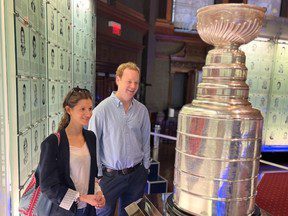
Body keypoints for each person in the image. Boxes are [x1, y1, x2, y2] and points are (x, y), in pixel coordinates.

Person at [89, 62, 151, 216]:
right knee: (103, 214)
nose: (133, 86)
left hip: (137, 175)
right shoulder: (101, 110)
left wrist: (146, 167)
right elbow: (93, 145)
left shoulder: (142, 110)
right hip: (109, 177)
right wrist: (97, 177)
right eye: (129, 81)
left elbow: (145, 140)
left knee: (132, 214)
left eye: (136, 82)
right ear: (118, 80)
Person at [39, 87, 106, 215]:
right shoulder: (52, 142)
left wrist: (98, 192)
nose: (88, 114)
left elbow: (91, 175)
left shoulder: (91, 137)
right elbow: (48, 186)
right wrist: (81, 197)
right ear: (69, 110)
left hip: (88, 209)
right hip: (64, 211)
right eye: (82, 109)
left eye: (90, 108)